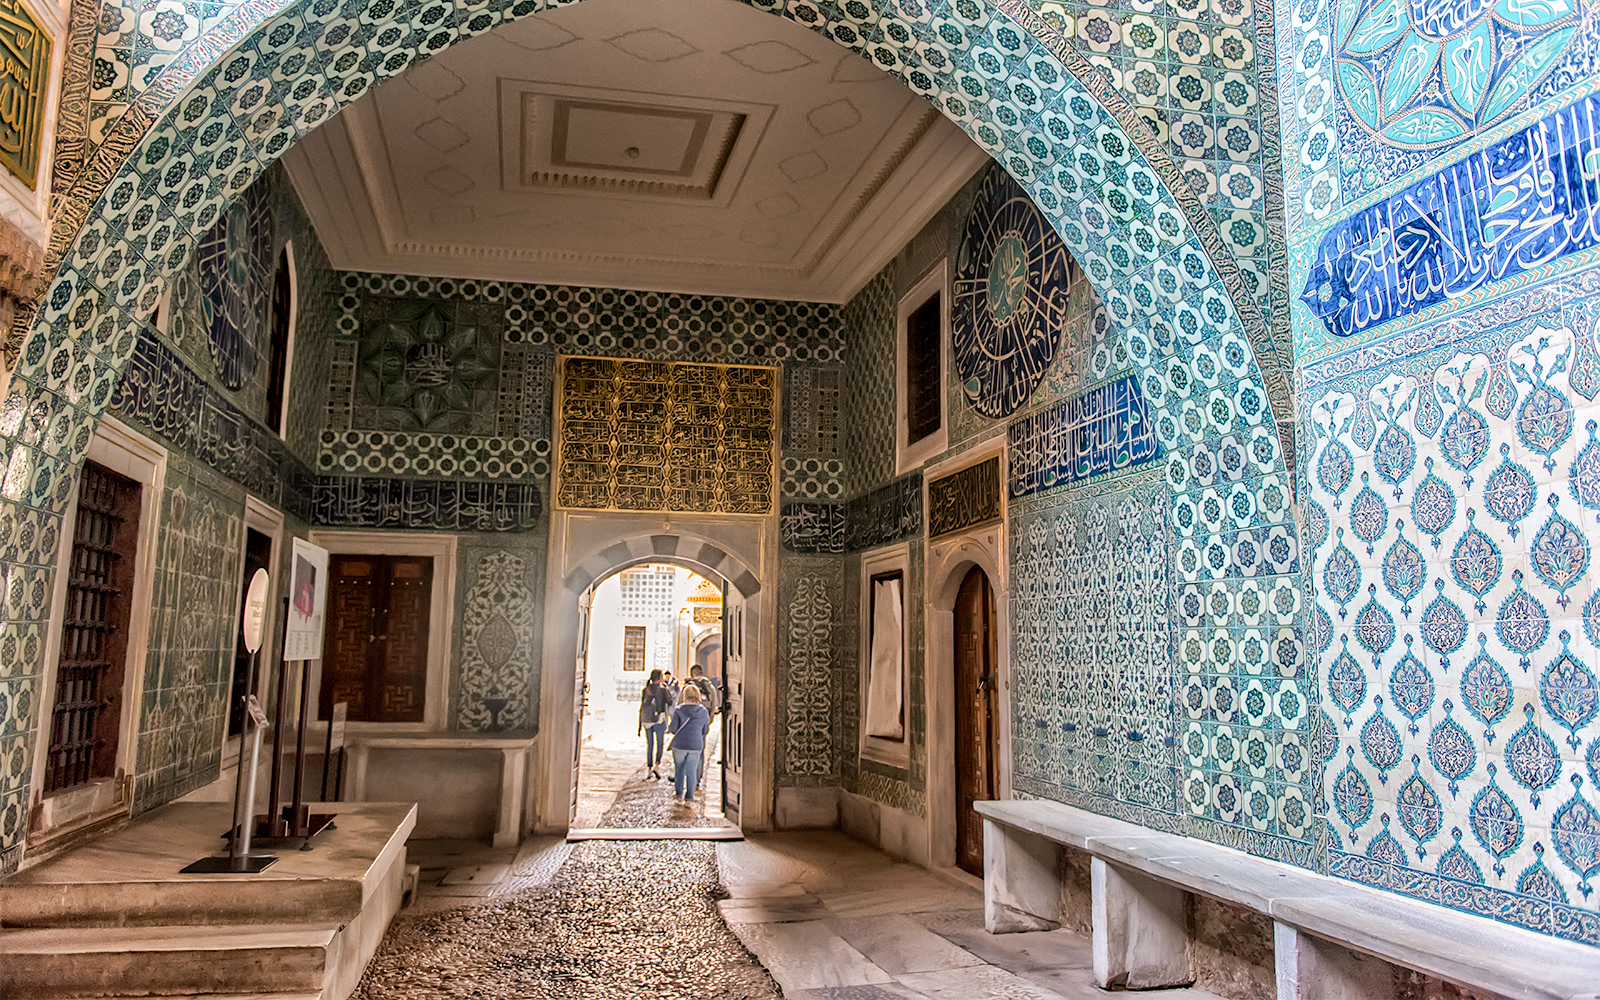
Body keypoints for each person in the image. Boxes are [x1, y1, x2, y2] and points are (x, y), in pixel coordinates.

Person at [666, 683, 710, 802]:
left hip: (679, 745)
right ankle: (689, 796)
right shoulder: (703, 712)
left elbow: (673, 729)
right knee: (692, 771)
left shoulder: (679, 710)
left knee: (679, 770)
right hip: (695, 745)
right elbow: (705, 730)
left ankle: (679, 793)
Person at [637, 669, 672, 780]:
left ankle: (649, 769)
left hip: (647, 720)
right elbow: (670, 702)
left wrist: (639, 724)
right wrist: (667, 690)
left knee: (650, 744)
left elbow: (642, 706)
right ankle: (657, 766)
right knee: (660, 743)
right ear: (660, 678)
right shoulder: (662, 689)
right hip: (659, 719)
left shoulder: (646, 689)